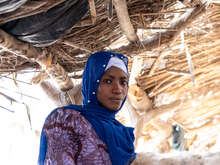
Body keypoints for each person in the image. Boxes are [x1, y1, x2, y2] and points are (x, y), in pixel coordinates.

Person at [38, 51, 136, 165]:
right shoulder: (67, 121)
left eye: (123, 82)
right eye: (108, 81)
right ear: (92, 83)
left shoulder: (123, 133)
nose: (118, 89)